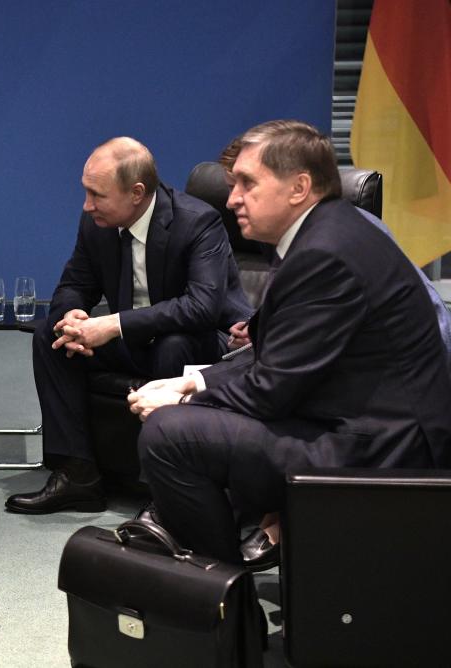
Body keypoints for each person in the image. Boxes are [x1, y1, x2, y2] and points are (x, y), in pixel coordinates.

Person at [129, 120, 451, 564]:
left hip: (377, 446)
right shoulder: (324, 232)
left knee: (169, 434)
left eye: (247, 183)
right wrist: (193, 383)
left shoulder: (324, 252)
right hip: (350, 415)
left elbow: (271, 390)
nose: (231, 198)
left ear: (299, 187)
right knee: (193, 420)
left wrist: (186, 402)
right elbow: (281, 357)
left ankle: (220, 598)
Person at [5, 137, 251, 514]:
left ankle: (163, 491)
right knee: (50, 336)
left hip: (202, 344)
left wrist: (112, 325)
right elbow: (75, 284)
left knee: (174, 343)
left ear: (137, 193)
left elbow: (201, 307)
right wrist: (72, 317)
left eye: (97, 195)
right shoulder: (97, 223)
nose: (87, 205)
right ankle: (78, 474)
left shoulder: (197, 222)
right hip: (136, 342)